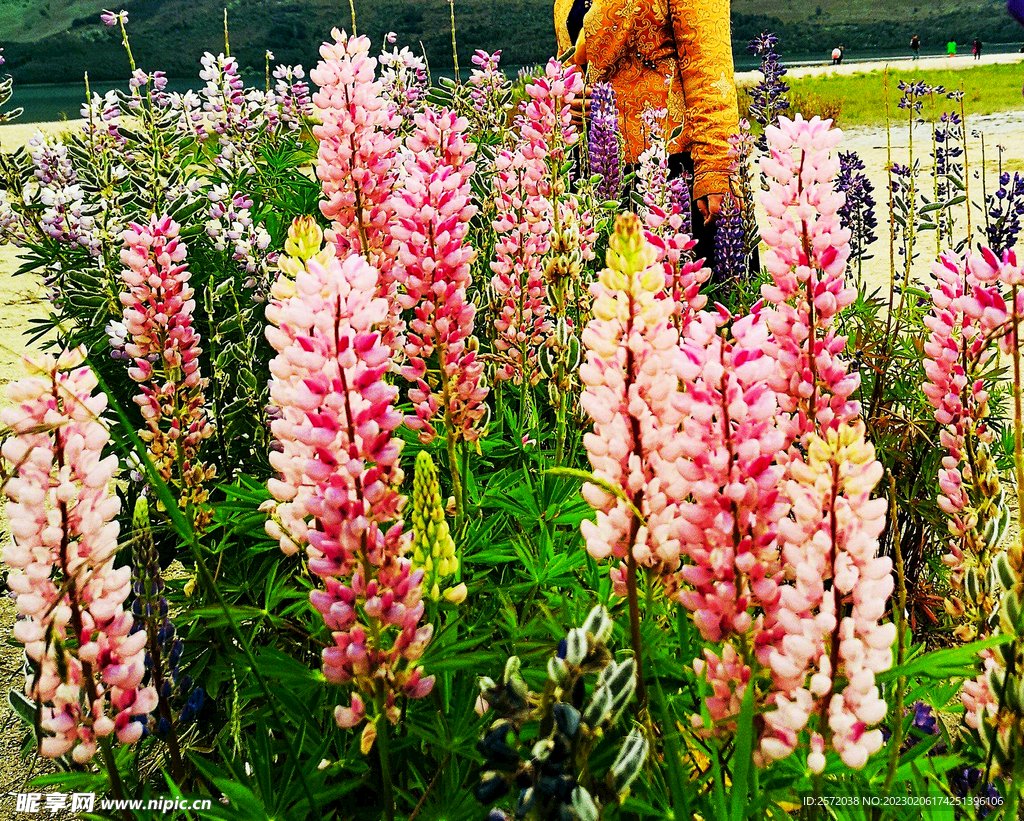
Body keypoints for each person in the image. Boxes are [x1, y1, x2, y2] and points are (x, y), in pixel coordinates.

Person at [554, 0, 741, 269]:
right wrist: (567, 98)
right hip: (596, 168)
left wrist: (717, 168)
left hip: (673, 168)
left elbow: (710, 69)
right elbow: (572, 58)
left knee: (684, 297)